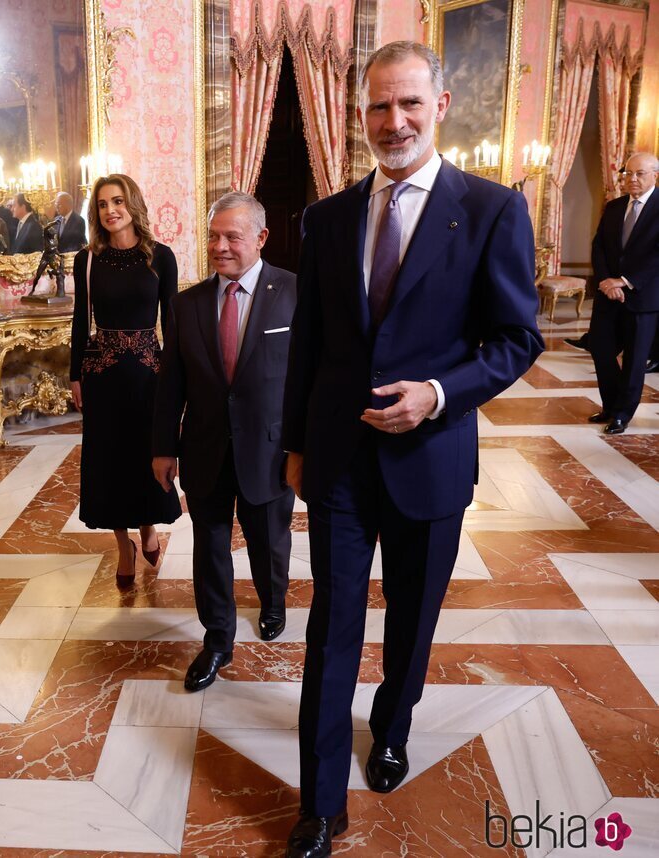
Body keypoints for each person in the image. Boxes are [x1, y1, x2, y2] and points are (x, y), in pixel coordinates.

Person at [281, 41, 544, 855]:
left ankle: (392, 726)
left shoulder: (493, 210)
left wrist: (438, 395)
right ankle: (321, 803)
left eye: (409, 105)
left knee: (412, 622)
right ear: (360, 114)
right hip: (338, 463)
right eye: (377, 107)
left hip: (432, 462)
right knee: (332, 626)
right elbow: (310, 348)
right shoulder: (324, 219)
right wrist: (293, 445)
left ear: (442, 104)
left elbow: (516, 339)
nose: (392, 123)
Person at [152, 192, 296, 691]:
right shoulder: (186, 304)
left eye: (232, 236)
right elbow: (171, 382)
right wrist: (163, 447)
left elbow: (308, 382)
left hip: (271, 450)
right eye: (213, 236)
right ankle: (217, 640)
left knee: (269, 541)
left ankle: (273, 601)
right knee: (209, 547)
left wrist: (305, 447)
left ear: (260, 238)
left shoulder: (295, 294)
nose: (220, 246)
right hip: (205, 448)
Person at [70, 174, 181, 584]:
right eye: (102, 204)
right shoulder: (88, 260)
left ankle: (149, 528)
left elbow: (172, 323)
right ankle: (123, 545)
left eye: (117, 201)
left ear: (132, 204)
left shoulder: (160, 256)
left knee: (146, 456)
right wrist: (74, 375)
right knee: (108, 462)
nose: (110, 210)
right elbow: (80, 321)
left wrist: (176, 379)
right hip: (102, 375)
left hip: (149, 374)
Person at [586, 151, 659, 434]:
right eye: (628, 173)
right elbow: (599, 247)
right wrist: (606, 280)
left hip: (643, 297)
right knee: (600, 349)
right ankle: (610, 405)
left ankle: (622, 414)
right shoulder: (614, 206)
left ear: (655, 175)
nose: (632, 179)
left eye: (639, 174)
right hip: (608, 295)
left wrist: (625, 281)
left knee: (634, 359)